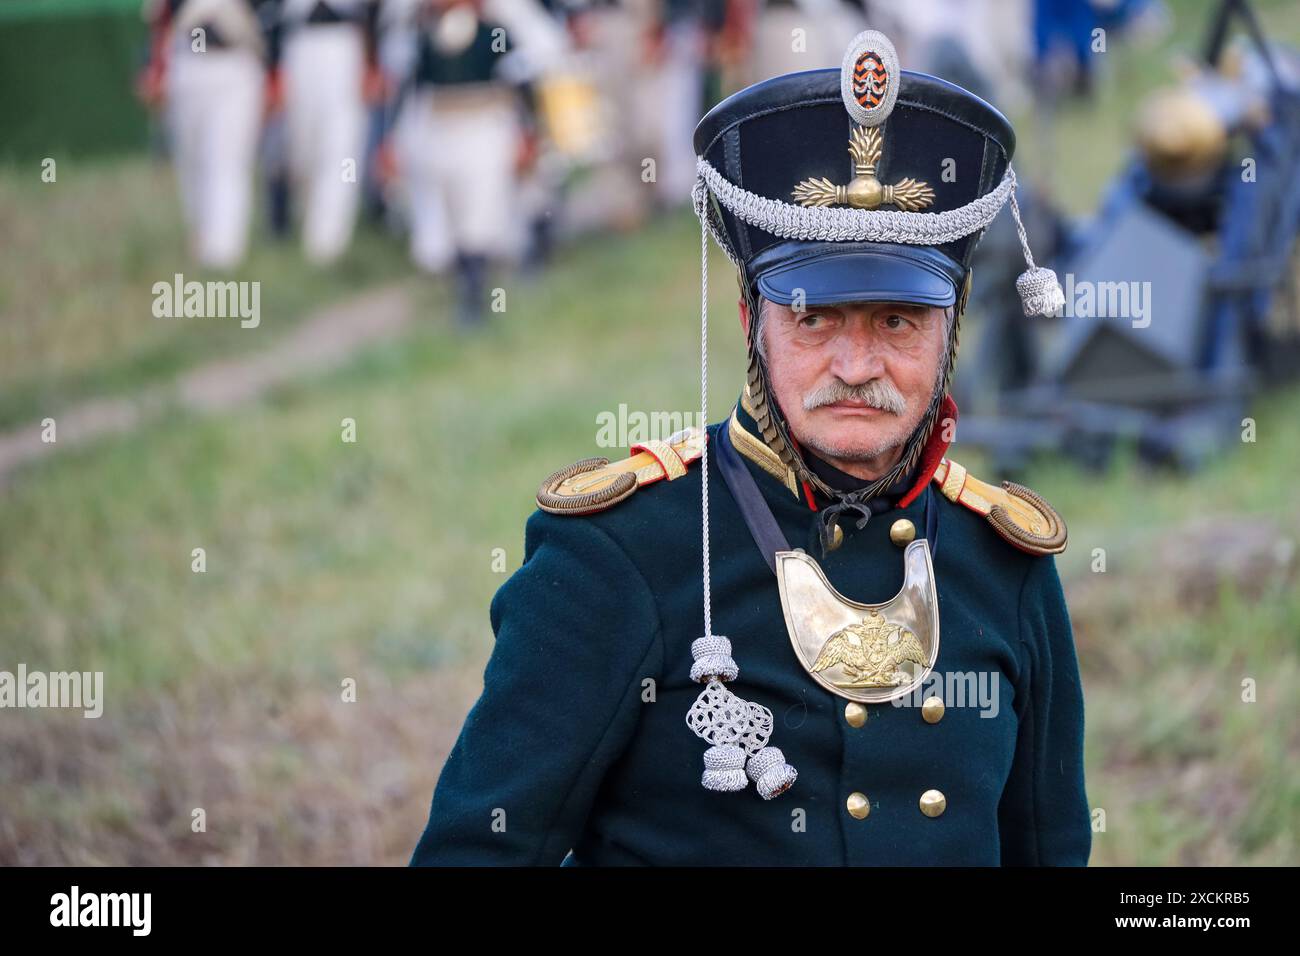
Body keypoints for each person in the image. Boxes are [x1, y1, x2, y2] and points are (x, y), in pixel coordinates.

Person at [411, 28, 1090, 865]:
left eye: (898, 322)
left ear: (949, 336)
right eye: (812, 319)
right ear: (750, 325)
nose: (855, 366)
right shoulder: (617, 550)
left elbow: (1050, 851)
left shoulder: (1004, 559)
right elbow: (478, 851)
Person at [140, 0, 280, 269]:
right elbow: (160, 18)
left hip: (236, 62)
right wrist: (154, 68)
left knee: (227, 163)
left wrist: (274, 72)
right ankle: (203, 242)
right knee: (192, 164)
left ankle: (223, 256)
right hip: (187, 62)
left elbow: (270, 16)